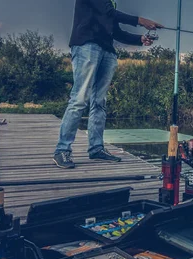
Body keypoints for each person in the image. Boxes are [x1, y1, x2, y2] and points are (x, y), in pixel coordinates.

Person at [53, 0, 164, 169]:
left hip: (107, 51)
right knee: (79, 99)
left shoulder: (111, 2)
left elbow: (116, 31)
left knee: (100, 102)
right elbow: (109, 13)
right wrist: (141, 21)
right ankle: (62, 150)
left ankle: (96, 148)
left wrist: (140, 39)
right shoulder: (105, 4)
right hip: (86, 46)